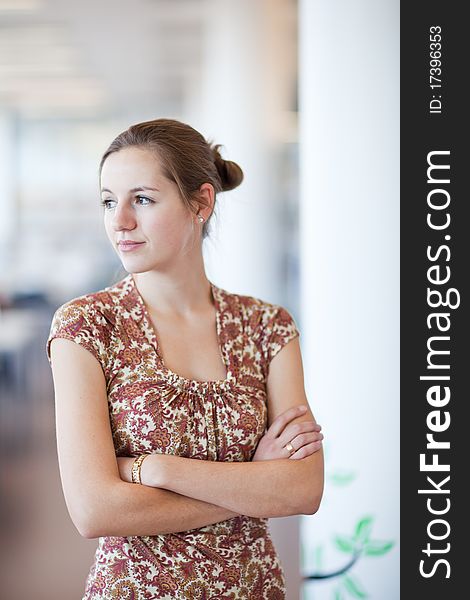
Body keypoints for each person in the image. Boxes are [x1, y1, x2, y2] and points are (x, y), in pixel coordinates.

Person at [45, 118, 324, 599]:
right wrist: (254, 484)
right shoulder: (87, 326)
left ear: (202, 202)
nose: (120, 220)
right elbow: (94, 511)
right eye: (109, 201)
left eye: (143, 199)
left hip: (252, 587)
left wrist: (156, 469)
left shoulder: (267, 327)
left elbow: (302, 491)